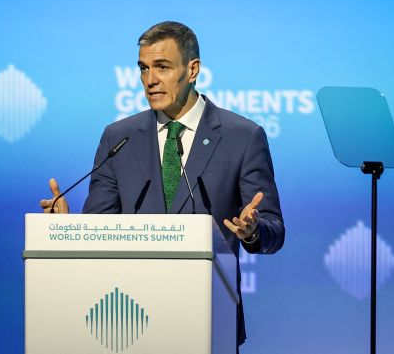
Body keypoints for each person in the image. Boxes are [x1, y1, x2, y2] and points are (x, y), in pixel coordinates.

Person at [40, 21, 284, 347]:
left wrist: (252, 231)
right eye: (143, 68)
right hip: (128, 322)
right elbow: (99, 230)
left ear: (192, 69)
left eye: (162, 67)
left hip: (209, 320)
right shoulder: (119, 138)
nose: (150, 79)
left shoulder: (242, 136)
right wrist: (67, 229)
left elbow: (274, 231)